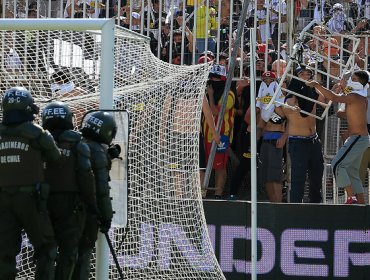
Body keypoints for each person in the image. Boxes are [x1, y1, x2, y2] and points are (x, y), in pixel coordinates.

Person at [0, 87, 61, 279]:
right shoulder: (38, 134)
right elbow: (56, 159)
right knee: (46, 247)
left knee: (4, 252)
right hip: (31, 200)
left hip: (2, 199)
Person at [41, 101, 96, 279]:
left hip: (41, 202)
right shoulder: (78, 143)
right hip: (70, 205)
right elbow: (85, 175)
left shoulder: (37, 143)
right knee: (69, 253)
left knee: (45, 253)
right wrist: (92, 204)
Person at [306, 70, 370, 204]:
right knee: (352, 172)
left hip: (358, 138)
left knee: (337, 164)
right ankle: (362, 204)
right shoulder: (358, 96)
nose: (350, 80)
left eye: (353, 78)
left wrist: (317, 85)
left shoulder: (355, 96)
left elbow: (334, 98)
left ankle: (351, 198)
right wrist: (342, 89)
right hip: (359, 138)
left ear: (359, 82)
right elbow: (342, 113)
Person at [73, 111, 119, 279]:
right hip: (85, 214)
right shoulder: (97, 151)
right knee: (83, 258)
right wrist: (106, 217)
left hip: (63, 210)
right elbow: (101, 190)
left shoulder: (75, 142)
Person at [283, 66, 325, 203]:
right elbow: (288, 108)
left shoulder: (312, 91)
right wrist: (292, 107)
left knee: (317, 178)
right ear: (295, 76)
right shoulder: (291, 94)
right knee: (298, 180)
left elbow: (325, 102)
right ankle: (296, 212)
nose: (306, 76)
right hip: (298, 142)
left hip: (314, 141)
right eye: (302, 74)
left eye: (308, 74)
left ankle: (316, 208)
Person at [204, 64, 235, 198]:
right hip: (205, 134)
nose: (213, 82)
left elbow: (216, 112)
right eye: (211, 78)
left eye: (217, 79)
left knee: (220, 166)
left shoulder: (229, 94)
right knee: (204, 165)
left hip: (222, 135)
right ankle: (203, 193)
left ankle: (218, 193)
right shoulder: (204, 90)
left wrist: (210, 96)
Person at [256, 71, 287, 202]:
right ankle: (272, 201)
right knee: (266, 175)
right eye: (265, 80)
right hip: (265, 140)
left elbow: (288, 120)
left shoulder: (282, 102)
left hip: (276, 139)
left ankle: (278, 203)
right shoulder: (263, 106)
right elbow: (260, 125)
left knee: (275, 175)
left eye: (270, 80)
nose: (268, 82)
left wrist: (284, 137)